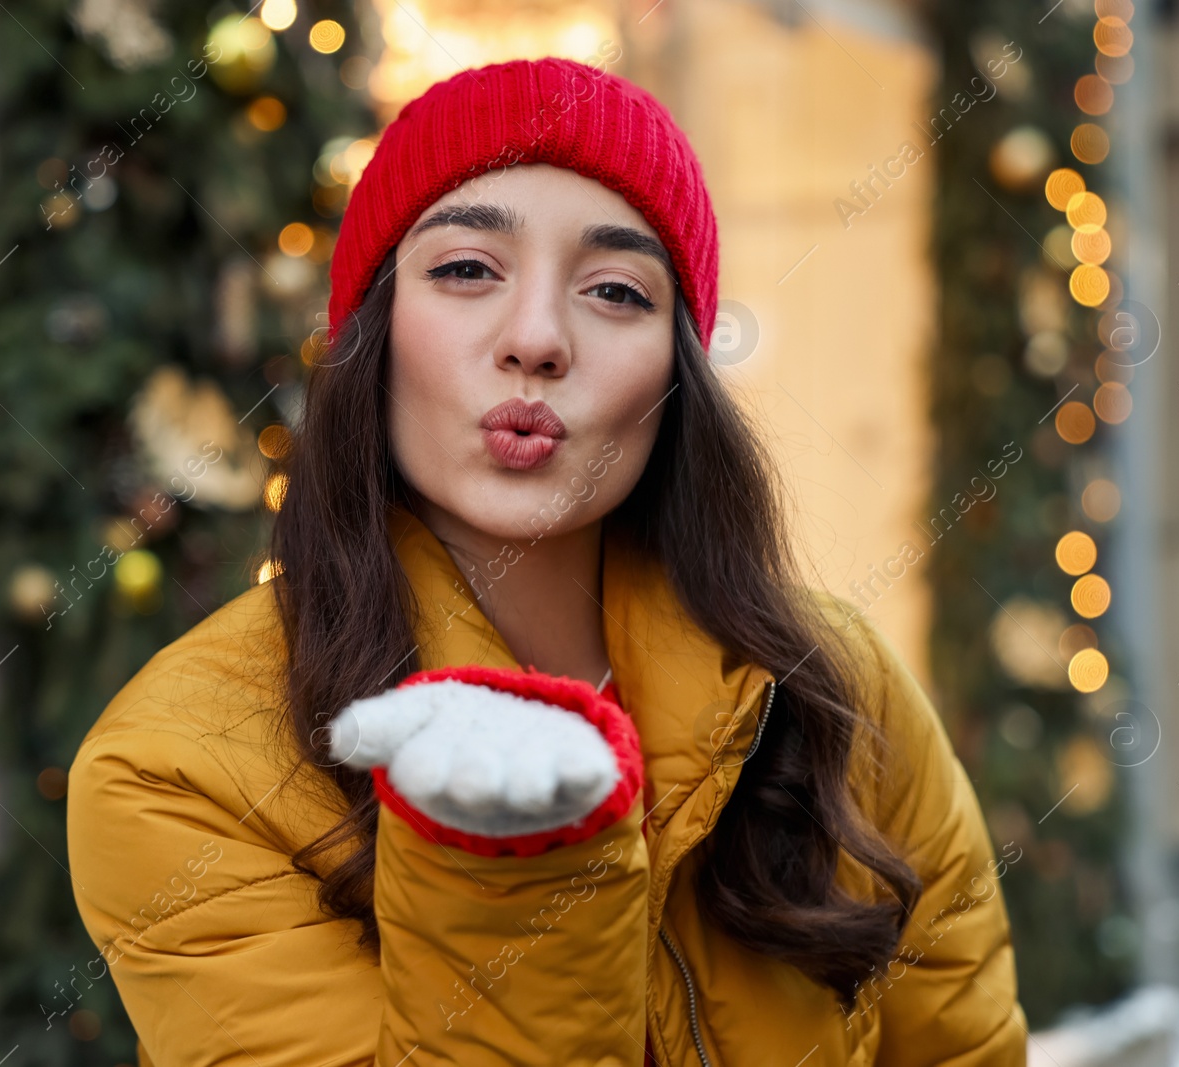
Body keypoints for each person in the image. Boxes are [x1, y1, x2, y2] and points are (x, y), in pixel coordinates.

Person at [66, 56, 1026, 1067]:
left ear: (675, 375)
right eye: (466, 269)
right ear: (374, 332)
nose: (535, 338)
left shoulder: (838, 688)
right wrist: (506, 858)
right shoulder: (174, 765)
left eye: (615, 290)